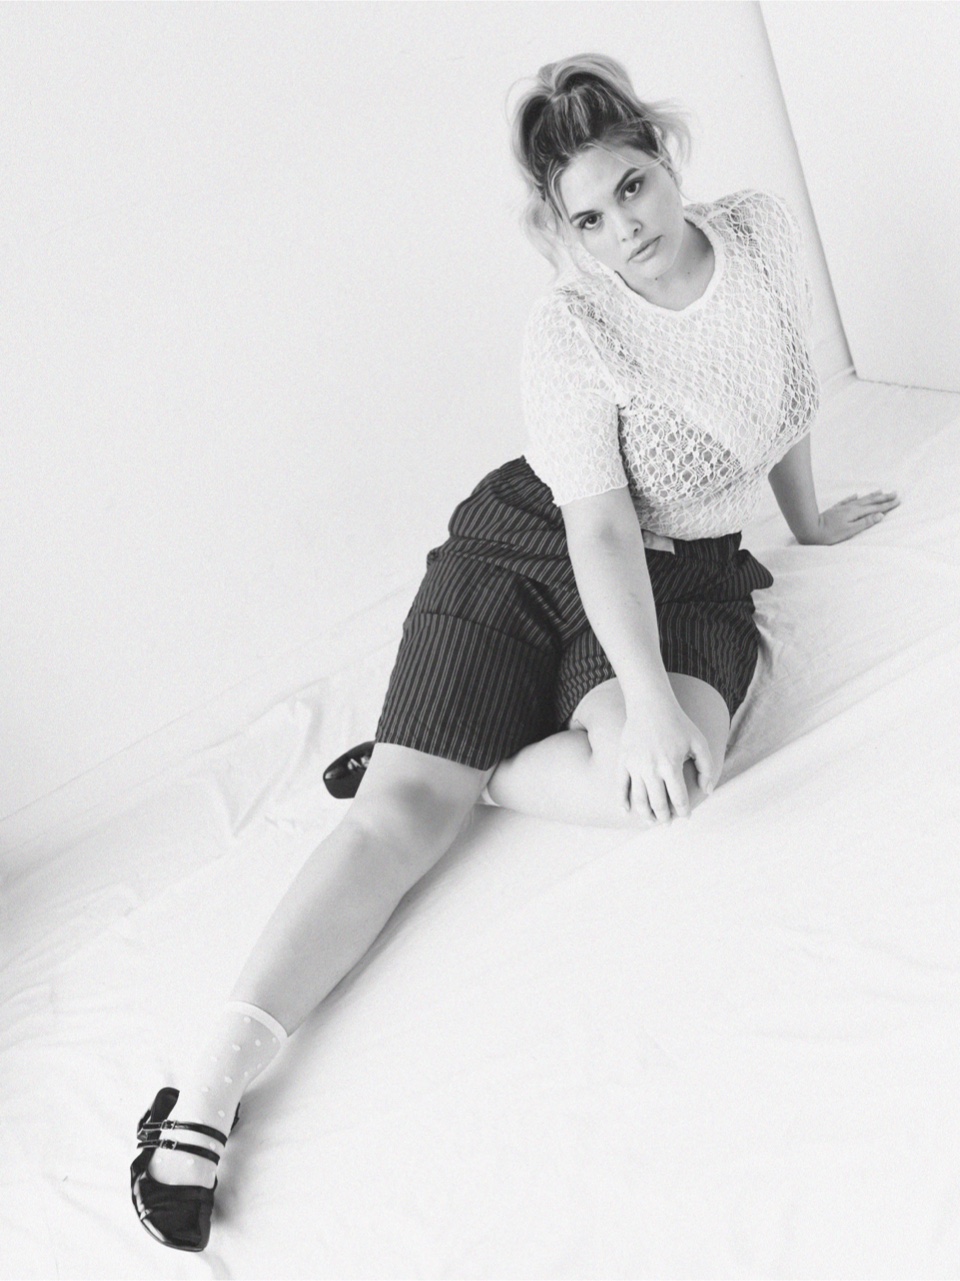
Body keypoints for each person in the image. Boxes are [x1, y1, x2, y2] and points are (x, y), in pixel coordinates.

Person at [130, 53, 898, 1251]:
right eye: (588, 219)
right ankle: (205, 1095)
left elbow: (787, 386)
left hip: (688, 573)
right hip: (538, 547)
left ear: (666, 158)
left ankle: (466, 761)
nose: (624, 228)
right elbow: (598, 528)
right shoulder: (571, 327)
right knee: (399, 820)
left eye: (633, 187)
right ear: (561, 230)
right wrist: (638, 692)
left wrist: (803, 522)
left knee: (670, 780)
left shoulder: (755, 232)